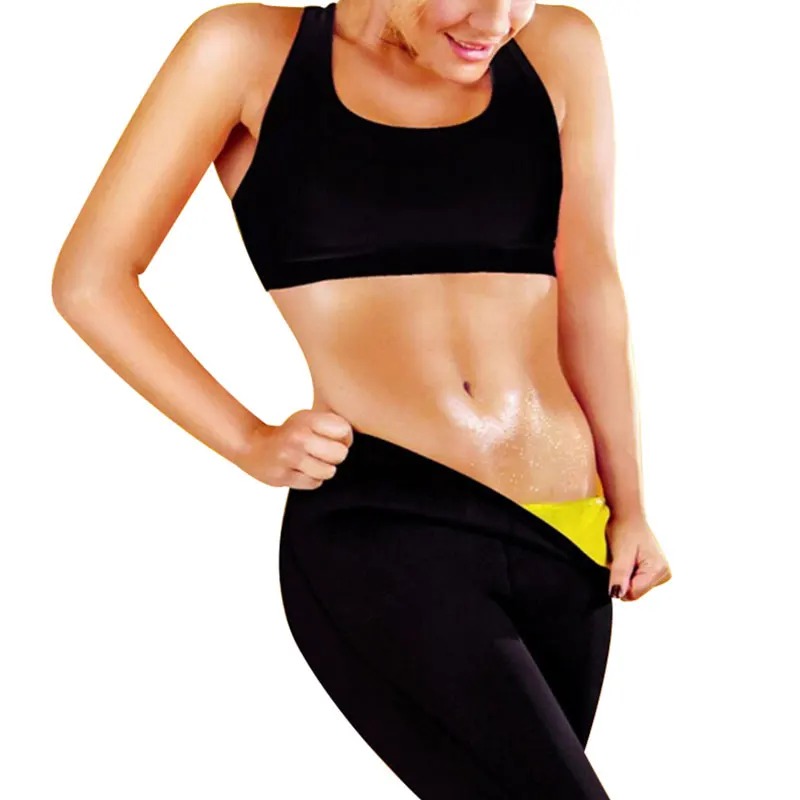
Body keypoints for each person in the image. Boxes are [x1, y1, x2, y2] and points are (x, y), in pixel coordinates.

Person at [52, 0, 672, 796]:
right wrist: (247, 440)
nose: (497, 20)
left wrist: (630, 504)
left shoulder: (563, 47)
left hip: (568, 534)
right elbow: (91, 281)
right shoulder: (245, 53)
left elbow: (591, 286)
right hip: (389, 524)